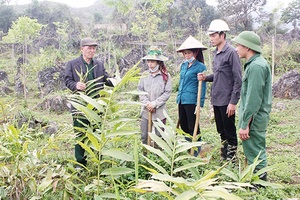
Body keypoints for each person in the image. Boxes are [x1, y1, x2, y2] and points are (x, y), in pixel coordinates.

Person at [65, 37, 118, 168]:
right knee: (80, 133)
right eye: (89, 48)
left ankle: (97, 159)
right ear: (82, 49)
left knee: (96, 132)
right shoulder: (72, 64)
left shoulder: (98, 64)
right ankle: (80, 163)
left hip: (96, 104)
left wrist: (117, 81)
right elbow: (67, 81)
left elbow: (105, 79)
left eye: (94, 48)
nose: (92, 51)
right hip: (80, 105)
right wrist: (76, 85)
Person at [198, 19, 242, 162]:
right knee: (221, 130)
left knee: (229, 130)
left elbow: (238, 79)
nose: (211, 38)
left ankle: (233, 158)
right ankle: (224, 155)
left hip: (227, 100)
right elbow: (219, 75)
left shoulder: (231, 53)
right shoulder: (216, 53)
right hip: (217, 98)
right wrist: (206, 78)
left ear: (222, 35)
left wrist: (233, 102)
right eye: (210, 36)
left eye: (214, 35)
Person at [233, 31, 272, 180]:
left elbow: (253, 99)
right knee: (253, 150)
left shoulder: (256, 66)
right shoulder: (254, 64)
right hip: (254, 118)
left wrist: (245, 124)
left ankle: (260, 183)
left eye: (238, 45)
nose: (236, 48)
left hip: (254, 119)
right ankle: (255, 180)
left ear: (248, 47)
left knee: (255, 151)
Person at [176, 36, 207, 157]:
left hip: (192, 100)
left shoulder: (200, 67)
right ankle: (187, 147)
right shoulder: (183, 66)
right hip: (181, 99)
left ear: (195, 53)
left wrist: (200, 104)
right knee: (183, 125)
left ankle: (196, 150)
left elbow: (203, 87)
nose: (187, 56)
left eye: (189, 53)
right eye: (185, 53)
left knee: (192, 125)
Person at [138, 46, 172, 146]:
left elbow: (167, 92)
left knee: (159, 137)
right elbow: (140, 90)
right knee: (144, 136)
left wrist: (155, 103)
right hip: (145, 110)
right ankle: (145, 154)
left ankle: (158, 158)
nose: (150, 64)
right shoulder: (144, 75)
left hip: (160, 112)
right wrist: (147, 103)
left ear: (159, 62)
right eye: (149, 61)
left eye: (153, 62)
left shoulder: (165, 76)